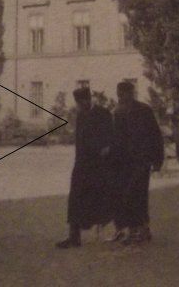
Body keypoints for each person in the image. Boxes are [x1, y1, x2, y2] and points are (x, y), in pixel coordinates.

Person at [56, 87, 115, 249]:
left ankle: (118, 230)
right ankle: (74, 237)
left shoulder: (103, 113)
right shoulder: (80, 115)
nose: (83, 104)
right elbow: (80, 140)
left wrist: (107, 147)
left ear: (89, 99)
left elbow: (111, 135)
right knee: (75, 199)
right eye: (80, 102)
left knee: (103, 198)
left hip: (99, 165)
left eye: (85, 101)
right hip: (82, 164)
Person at [112, 81, 164, 245]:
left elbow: (155, 135)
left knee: (138, 194)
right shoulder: (117, 113)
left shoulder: (144, 110)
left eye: (123, 94)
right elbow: (115, 139)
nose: (120, 97)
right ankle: (137, 230)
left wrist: (158, 160)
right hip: (124, 162)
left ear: (131, 93)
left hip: (142, 159)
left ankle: (141, 229)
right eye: (119, 94)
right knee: (128, 195)